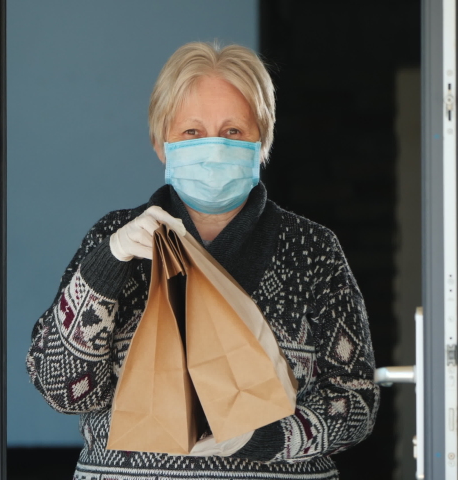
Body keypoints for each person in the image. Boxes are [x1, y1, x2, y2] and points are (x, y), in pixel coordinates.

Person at [26, 41, 379, 480]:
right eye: (192, 132)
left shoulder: (311, 251)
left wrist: (274, 438)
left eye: (233, 132)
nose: (213, 148)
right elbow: (61, 389)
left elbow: (357, 400)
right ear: (161, 143)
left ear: (262, 141)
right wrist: (106, 266)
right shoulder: (113, 240)